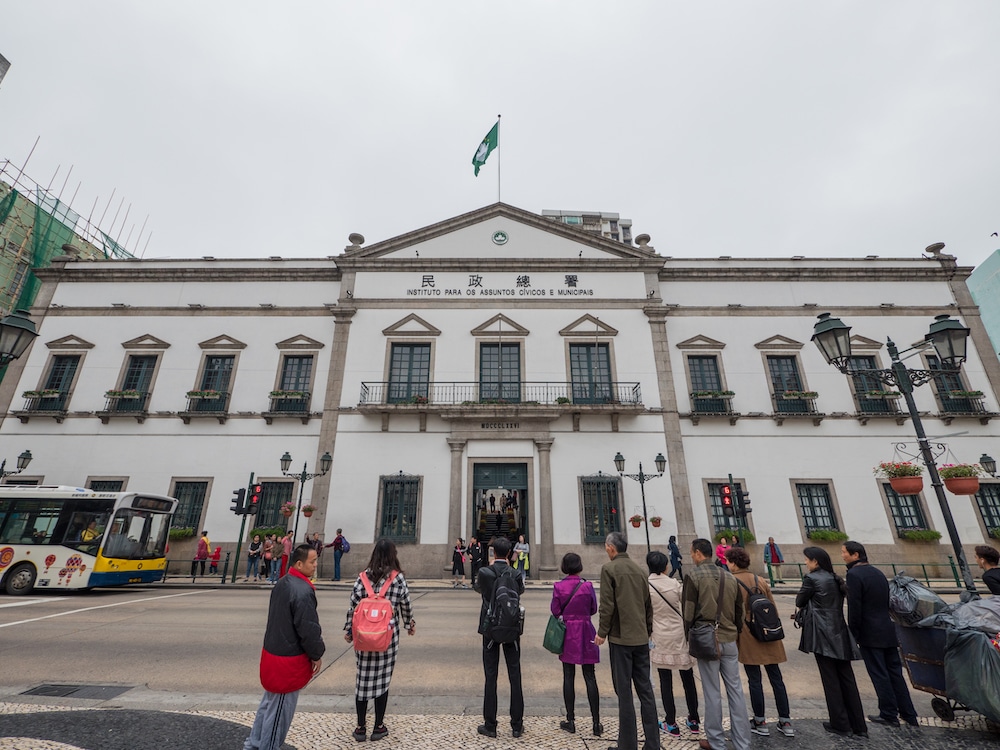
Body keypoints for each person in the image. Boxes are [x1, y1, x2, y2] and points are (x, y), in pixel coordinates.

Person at [243, 544, 324, 750]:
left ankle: (254, 743)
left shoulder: (283, 582)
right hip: (287, 660)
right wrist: (316, 654)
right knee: (280, 711)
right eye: (312, 562)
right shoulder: (303, 591)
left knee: (268, 704)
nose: (315, 565)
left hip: (273, 652)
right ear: (299, 563)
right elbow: (308, 628)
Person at [344, 538, 415, 743]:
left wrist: (349, 630)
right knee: (382, 680)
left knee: (363, 678)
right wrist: (409, 624)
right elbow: (406, 605)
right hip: (387, 638)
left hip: (363, 638)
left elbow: (352, 607)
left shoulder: (362, 578)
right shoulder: (397, 578)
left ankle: (360, 727)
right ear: (393, 555)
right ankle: (378, 726)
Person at [841, 541, 918, 728]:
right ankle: (908, 713)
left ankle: (889, 713)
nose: (842, 555)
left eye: (845, 553)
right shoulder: (877, 572)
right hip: (887, 629)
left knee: (879, 673)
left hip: (870, 632)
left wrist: (854, 634)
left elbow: (855, 608)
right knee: (895, 673)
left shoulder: (853, 574)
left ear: (856, 555)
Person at [594, 531, 659, 750]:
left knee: (624, 693)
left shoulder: (609, 569)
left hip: (621, 640)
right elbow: (648, 604)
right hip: (641, 638)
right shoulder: (640, 570)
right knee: (646, 692)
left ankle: (627, 745)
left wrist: (602, 632)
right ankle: (653, 743)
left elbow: (607, 606)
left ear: (611, 548)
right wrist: (647, 630)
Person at [682, 538, 749, 750]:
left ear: (698, 553)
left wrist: (689, 637)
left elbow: (688, 613)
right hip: (729, 639)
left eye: (692, 552)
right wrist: (734, 631)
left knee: (712, 692)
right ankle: (742, 743)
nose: (691, 556)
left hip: (708, 639)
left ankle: (716, 741)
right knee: (736, 691)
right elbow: (740, 612)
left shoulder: (693, 576)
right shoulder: (729, 577)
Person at [795, 546, 866, 738]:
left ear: (815, 561)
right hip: (840, 632)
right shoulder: (835, 578)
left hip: (822, 634)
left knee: (831, 681)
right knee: (847, 679)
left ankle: (841, 724)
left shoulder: (811, 579)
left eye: (807, 560)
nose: (805, 563)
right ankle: (859, 725)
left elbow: (800, 601)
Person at [725, 546, 793, 738]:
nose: (727, 565)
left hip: (748, 634)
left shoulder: (732, 582)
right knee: (776, 678)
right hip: (768, 631)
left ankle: (760, 721)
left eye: (729, 561)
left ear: (734, 563)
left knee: (754, 679)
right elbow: (772, 607)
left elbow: (732, 613)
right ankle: (785, 721)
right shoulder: (760, 580)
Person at [646, 550, 700, 739]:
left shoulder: (647, 586)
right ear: (665, 566)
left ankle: (671, 722)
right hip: (679, 635)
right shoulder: (675, 583)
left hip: (660, 636)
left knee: (665, 681)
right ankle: (694, 720)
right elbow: (686, 608)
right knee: (688, 678)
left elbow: (647, 613)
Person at [476, 536, 525, 739]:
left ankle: (490, 724)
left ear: (493, 552)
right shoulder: (515, 573)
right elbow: (520, 591)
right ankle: (516, 725)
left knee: (491, 676)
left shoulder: (485, 572)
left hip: (490, 627)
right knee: (515, 675)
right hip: (511, 626)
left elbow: (481, 590)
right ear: (508, 553)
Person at [551, 552, 603, 737]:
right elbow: (593, 609)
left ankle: (570, 720)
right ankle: (596, 723)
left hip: (568, 633)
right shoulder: (587, 585)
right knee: (590, 676)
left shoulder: (559, 586)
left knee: (568, 675)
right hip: (586, 630)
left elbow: (555, 611)